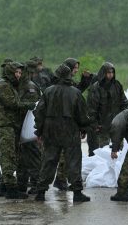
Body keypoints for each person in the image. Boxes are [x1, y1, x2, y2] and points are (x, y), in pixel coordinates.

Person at [34, 64, 91, 202]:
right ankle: (77, 193)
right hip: (70, 130)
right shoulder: (75, 92)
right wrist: (83, 129)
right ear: (69, 76)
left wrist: (39, 131)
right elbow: (82, 114)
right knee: (73, 160)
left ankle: (40, 192)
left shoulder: (48, 91)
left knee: (48, 160)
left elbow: (39, 113)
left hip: (50, 130)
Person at [0, 61, 36, 199]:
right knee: (8, 156)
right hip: (5, 125)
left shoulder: (9, 85)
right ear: (10, 72)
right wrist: (29, 105)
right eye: (16, 72)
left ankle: (4, 187)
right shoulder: (3, 85)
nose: (18, 75)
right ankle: (11, 188)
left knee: (11, 154)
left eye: (20, 73)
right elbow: (12, 103)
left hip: (9, 125)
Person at [53, 57, 96, 190]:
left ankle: (62, 178)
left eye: (77, 68)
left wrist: (85, 80)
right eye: (74, 68)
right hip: (61, 121)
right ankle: (60, 179)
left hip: (69, 121)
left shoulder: (69, 82)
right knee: (64, 153)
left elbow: (76, 92)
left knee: (66, 154)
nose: (76, 71)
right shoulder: (57, 82)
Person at [87, 62, 128, 150]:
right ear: (104, 73)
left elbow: (124, 102)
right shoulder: (96, 87)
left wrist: (122, 118)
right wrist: (95, 124)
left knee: (118, 150)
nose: (111, 74)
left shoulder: (117, 85)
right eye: (108, 72)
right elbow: (92, 108)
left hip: (117, 124)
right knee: (103, 150)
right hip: (102, 125)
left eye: (112, 72)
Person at [16, 60, 42, 194]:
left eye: (21, 72)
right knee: (21, 158)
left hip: (29, 128)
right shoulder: (19, 86)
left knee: (33, 156)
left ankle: (37, 184)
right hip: (21, 127)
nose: (18, 75)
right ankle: (21, 184)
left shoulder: (30, 87)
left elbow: (33, 105)